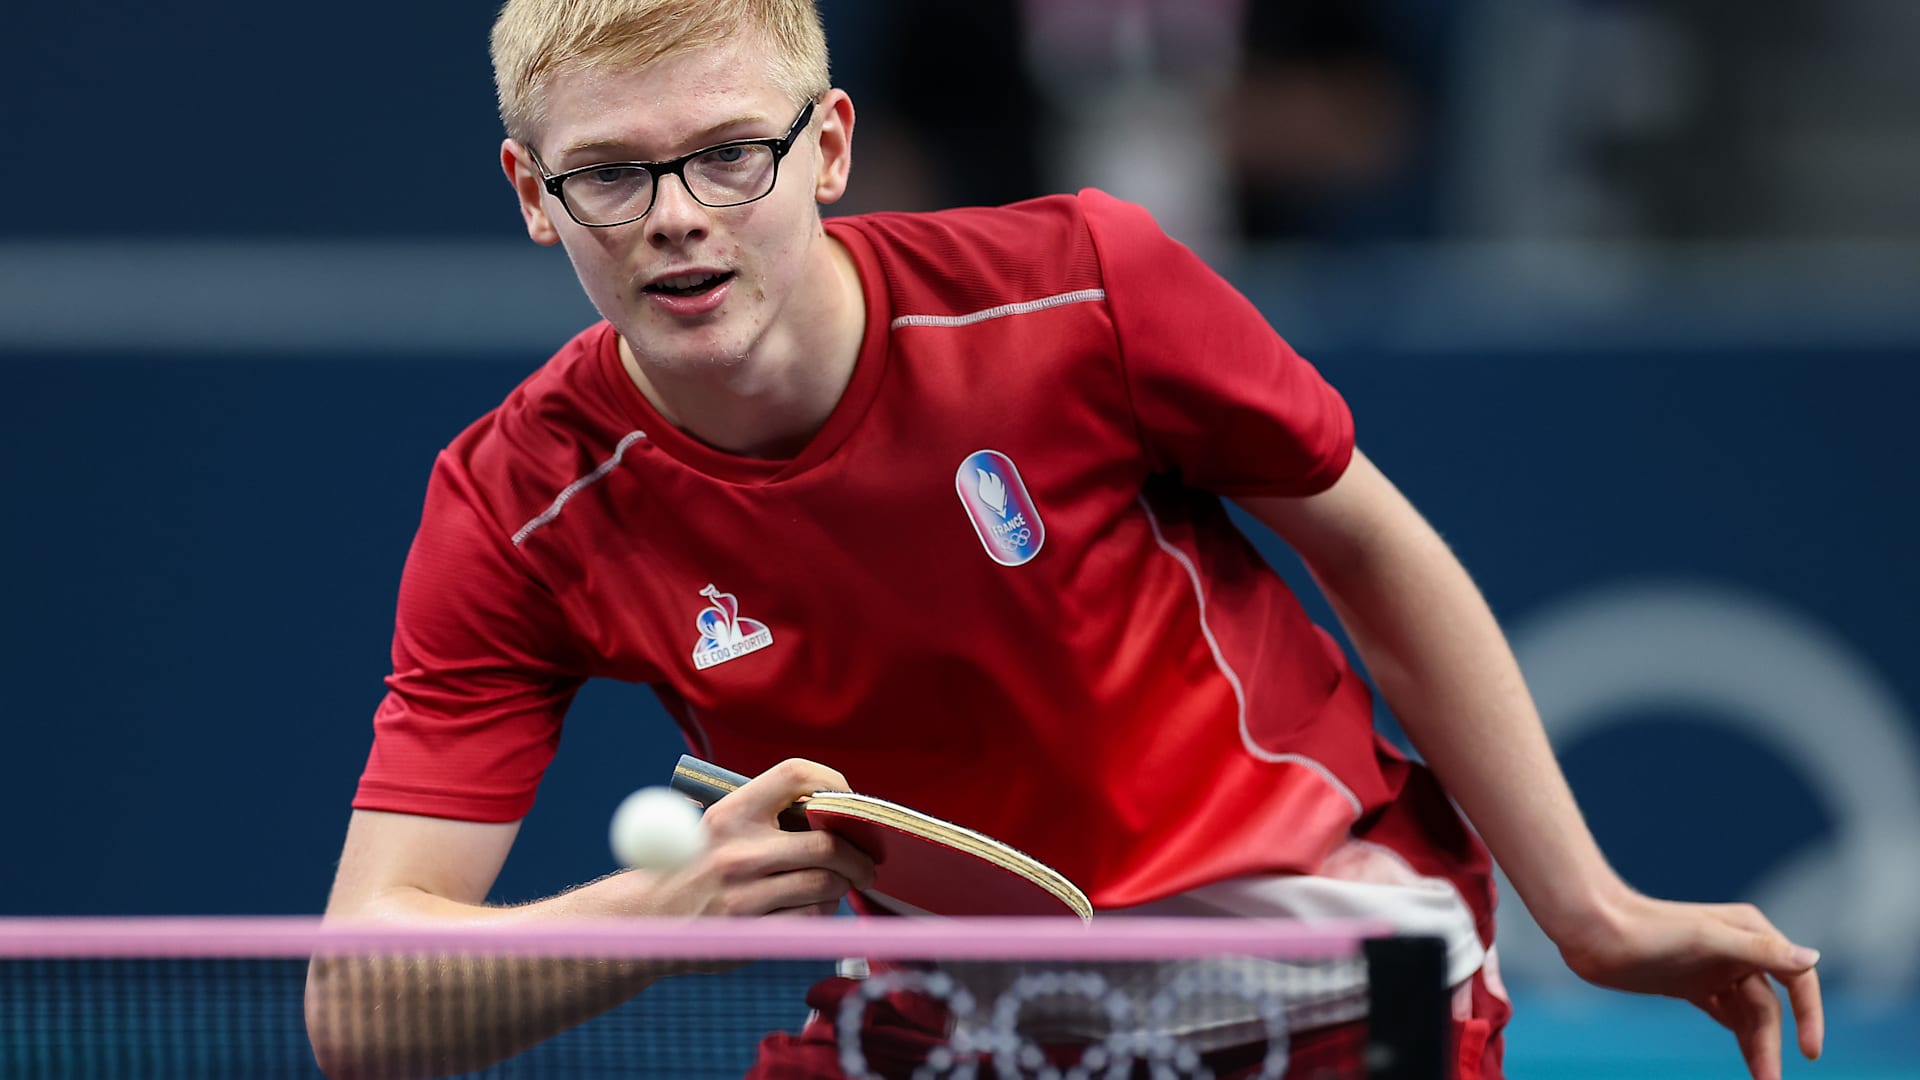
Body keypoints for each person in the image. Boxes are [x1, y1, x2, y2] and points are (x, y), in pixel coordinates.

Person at [306, 1, 1825, 1077]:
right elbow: (356, 1010)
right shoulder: (521, 500)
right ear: (531, 195)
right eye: (610, 177)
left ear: (830, 145)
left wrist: (1590, 909)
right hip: (949, 1018)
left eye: (730, 156)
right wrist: (666, 910)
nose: (678, 218)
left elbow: (1371, 548)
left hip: (1309, 978)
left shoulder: (1081, 288)